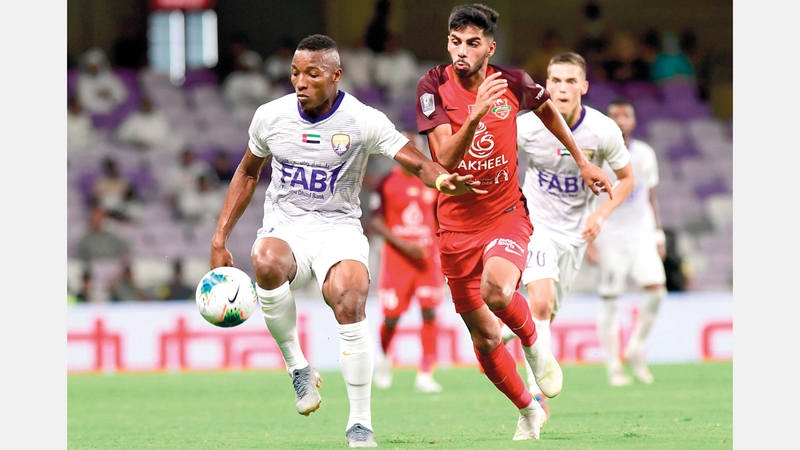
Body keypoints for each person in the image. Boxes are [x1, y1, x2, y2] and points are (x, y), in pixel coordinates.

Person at [208, 34, 482, 448]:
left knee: (350, 296)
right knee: (264, 259)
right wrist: (219, 238)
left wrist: (442, 180)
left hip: (339, 230)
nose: (301, 82)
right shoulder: (271, 117)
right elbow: (248, 173)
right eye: (295, 73)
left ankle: (360, 422)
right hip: (287, 228)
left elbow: (415, 161)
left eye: (312, 74)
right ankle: (298, 368)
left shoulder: (362, 120)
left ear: (336, 76)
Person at [415, 5, 613, 441]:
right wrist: (475, 114)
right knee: (485, 339)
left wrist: (581, 161)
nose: (461, 51)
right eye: (455, 42)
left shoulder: (515, 81)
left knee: (498, 290)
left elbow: (548, 112)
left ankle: (535, 345)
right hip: (455, 228)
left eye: (472, 43)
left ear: (490, 48)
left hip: (505, 215)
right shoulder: (432, 86)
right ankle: (527, 409)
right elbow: (443, 158)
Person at [504, 52, 634, 419]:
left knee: (545, 314)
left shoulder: (603, 130)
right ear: (546, 85)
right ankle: (536, 397)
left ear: (584, 86)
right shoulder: (528, 126)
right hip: (535, 225)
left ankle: (502, 331)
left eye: (571, 81)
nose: (562, 89)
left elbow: (627, 180)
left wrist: (600, 215)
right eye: (556, 81)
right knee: (541, 303)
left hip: (575, 235)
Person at [583, 97, 667, 386]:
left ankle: (634, 349)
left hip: (641, 235)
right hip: (609, 237)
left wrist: (658, 235)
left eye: (625, 115)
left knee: (657, 291)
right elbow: (585, 198)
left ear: (633, 120)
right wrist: (590, 240)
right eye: (614, 115)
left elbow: (651, 196)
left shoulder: (645, 153)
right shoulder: (596, 155)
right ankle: (613, 368)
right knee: (610, 300)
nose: (620, 120)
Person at [369, 156, 445, 393]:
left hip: (426, 260)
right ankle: (384, 357)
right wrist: (404, 245)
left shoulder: (433, 181)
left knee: (429, 311)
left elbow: (442, 217)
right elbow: (376, 221)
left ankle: (426, 373)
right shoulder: (386, 183)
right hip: (397, 261)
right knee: (391, 316)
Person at [114, 96, 186, 152]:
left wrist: (150, 143)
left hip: (157, 149)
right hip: (137, 149)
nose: (146, 107)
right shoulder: (134, 118)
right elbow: (122, 135)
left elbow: (164, 136)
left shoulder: (159, 117)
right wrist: (135, 141)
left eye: (148, 105)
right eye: (144, 105)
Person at [75, 47, 129, 115]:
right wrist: (98, 95)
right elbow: (83, 100)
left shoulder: (109, 76)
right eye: (92, 67)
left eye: (96, 66)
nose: (94, 69)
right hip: (93, 114)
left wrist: (110, 93)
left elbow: (122, 94)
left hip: (114, 112)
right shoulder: (83, 81)